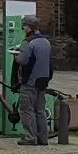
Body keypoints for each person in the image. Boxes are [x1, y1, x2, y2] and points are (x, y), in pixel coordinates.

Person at [13, 15, 53, 146]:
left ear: (28, 27)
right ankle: (43, 138)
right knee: (40, 110)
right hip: (43, 80)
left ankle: (30, 137)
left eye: (24, 25)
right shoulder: (46, 42)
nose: (23, 28)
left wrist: (16, 55)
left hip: (30, 81)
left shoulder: (28, 42)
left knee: (26, 109)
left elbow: (22, 60)